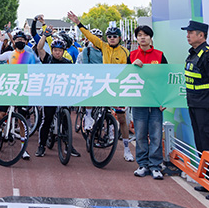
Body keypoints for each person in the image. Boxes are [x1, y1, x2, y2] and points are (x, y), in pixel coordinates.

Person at [67, 11, 133, 162]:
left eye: (114, 36)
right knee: (90, 92)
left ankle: (127, 149)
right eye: (109, 36)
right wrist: (78, 23)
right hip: (104, 84)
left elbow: (130, 69)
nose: (111, 38)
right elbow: (90, 36)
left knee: (122, 119)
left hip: (117, 88)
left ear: (119, 38)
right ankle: (89, 116)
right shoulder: (103, 46)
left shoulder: (125, 52)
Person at [181, 19, 209, 199]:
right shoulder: (193, 54)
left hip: (207, 107)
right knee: (201, 143)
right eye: (187, 32)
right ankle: (208, 181)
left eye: (191, 32)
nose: (188, 35)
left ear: (201, 35)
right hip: (195, 105)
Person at [129, 25, 167, 180]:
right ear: (136, 38)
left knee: (156, 134)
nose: (142, 37)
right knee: (140, 134)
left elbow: (166, 78)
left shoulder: (160, 55)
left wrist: (165, 99)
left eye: (145, 35)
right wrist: (133, 67)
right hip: (139, 100)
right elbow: (125, 78)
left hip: (156, 102)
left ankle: (155, 166)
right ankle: (143, 164)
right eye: (139, 35)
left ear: (151, 38)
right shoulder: (132, 56)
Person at [35, 31, 80, 158]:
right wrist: (44, 35)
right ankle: (41, 146)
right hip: (49, 95)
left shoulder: (68, 63)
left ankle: (68, 146)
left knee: (66, 121)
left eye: (60, 51)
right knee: (47, 120)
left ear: (63, 51)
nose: (57, 53)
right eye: (55, 50)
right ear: (52, 50)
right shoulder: (47, 59)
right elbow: (39, 48)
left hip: (63, 94)